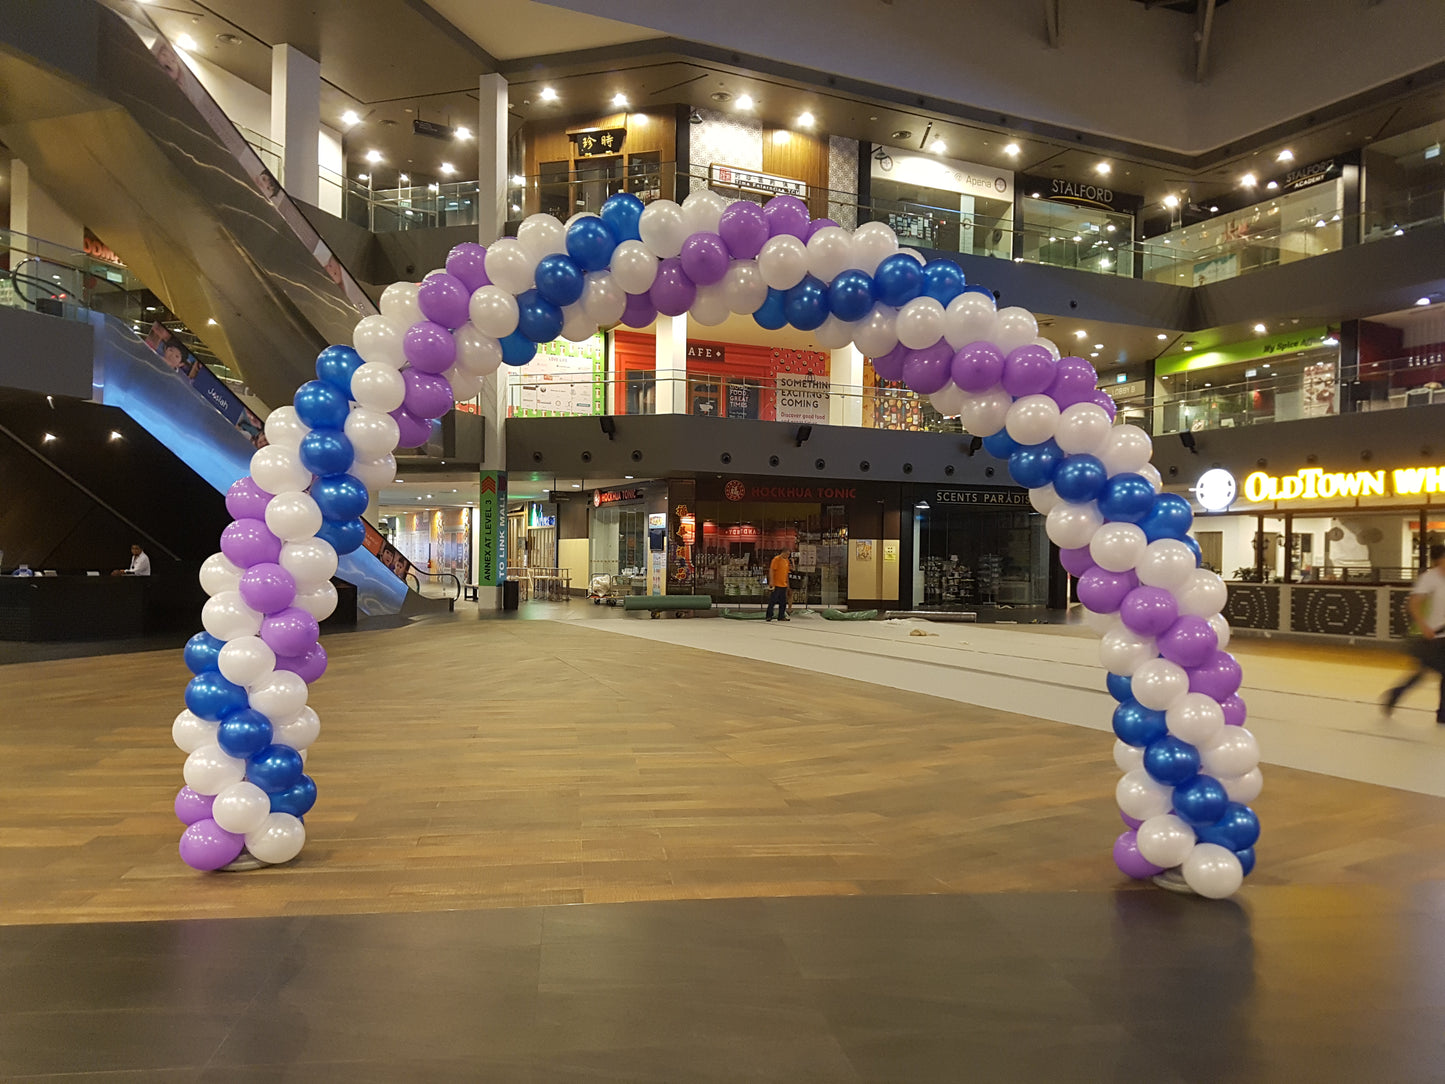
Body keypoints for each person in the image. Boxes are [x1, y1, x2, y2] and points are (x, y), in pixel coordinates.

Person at [1382, 544, 1445, 723]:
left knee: (1422, 673)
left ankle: (1441, 713)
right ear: (1439, 559)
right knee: (1434, 672)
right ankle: (1441, 713)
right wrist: (1424, 626)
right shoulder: (1429, 578)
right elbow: (1414, 604)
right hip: (1427, 637)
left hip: (1443, 636)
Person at [765, 550, 790, 622]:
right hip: (776, 584)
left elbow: (786, 573)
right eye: (787, 554)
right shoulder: (776, 559)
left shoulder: (786, 561)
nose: (788, 556)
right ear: (783, 553)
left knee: (783, 601)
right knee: (773, 601)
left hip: (783, 584)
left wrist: (787, 584)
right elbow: (772, 570)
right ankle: (769, 616)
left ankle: (781, 616)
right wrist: (771, 581)